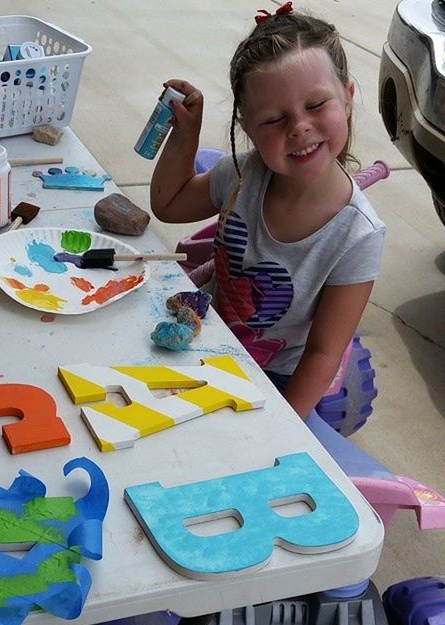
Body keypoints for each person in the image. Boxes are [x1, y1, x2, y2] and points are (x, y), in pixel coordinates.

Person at [150, 3, 386, 424]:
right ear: (248, 127)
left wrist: (282, 429)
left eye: (316, 104)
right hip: (206, 343)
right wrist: (187, 134)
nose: (298, 127)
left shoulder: (358, 234)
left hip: (276, 381)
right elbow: (169, 204)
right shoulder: (244, 176)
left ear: (348, 98)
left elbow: (323, 353)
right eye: (275, 118)